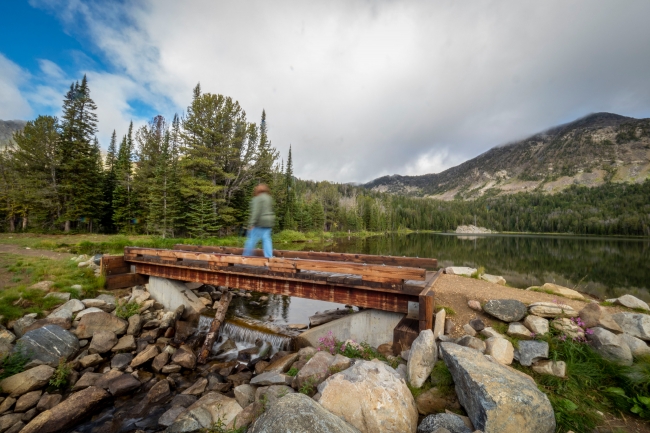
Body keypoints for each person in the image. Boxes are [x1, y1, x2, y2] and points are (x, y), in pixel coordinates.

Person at [243, 183, 275, 258]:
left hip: (259, 223)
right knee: (266, 239)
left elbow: (255, 212)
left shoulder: (257, 198)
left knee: (252, 238)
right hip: (269, 222)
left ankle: (246, 256)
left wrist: (251, 224)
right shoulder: (268, 197)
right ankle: (269, 257)